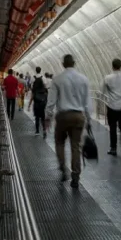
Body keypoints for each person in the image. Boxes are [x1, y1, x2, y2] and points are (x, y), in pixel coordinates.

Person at [46, 54, 92, 189]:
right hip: (78, 117)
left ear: (63, 64)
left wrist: (48, 116)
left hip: (62, 116)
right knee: (75, 146)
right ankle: (76, 176)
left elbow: (52, 100)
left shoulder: (57, 79)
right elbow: (87, 101)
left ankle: (62, 168)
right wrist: (89, 118)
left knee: (59, 142)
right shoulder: (83, 79)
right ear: (74, 63)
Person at [27, 67, 49, 138]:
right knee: (43, 117)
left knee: (37, 117)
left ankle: (37, 131)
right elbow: (46, 86)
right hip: (42, 101)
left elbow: (30, 85)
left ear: (35, 70)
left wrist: (29, 106)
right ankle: (44, 130)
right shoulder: (43, 78)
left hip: (36, 101)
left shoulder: (33, 78)